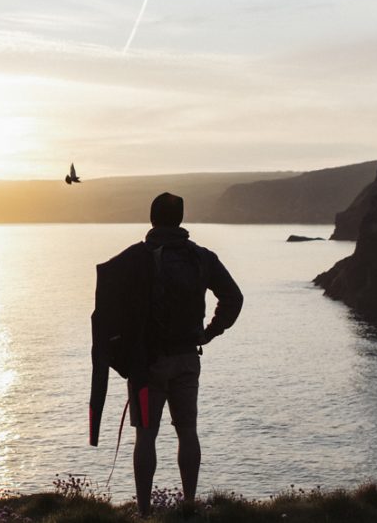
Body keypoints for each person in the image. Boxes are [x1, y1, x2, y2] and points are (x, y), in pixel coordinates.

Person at [100, 192, 244, 516]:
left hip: (147, 364)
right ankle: (189, 505)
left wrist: (121, 354)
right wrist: (210, 332)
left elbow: (109, 310)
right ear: (180, 219)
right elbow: (233, 298)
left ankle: (144, 512)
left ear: (152, 219)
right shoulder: (202, 257)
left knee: (146, 437)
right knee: (188, 432)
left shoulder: (134, 258)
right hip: (187, 359)